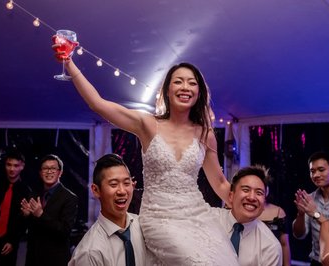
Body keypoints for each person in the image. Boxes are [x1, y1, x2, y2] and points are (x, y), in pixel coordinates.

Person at [51, 44, 238, 265]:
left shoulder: (205, 134)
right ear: (167, 90)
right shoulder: (147, 125)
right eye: (178, 81)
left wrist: (253, 205)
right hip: (160, 217)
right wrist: (69, 62)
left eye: (192, 82)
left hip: (198, 216)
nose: (185, 87)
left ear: (199, 92)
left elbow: (220, 182)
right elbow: (97, 104)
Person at [69, 153, 146, 265]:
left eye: (126, 183)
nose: (122, 191)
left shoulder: (143, 226)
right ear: (96, 190)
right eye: (114, 184)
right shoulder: (89, 252)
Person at [217, 165, 282, 266]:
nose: (252, 197)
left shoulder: (270, 247)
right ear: (231, 196)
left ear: (264, 202)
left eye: (259, 193)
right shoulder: (211, 220)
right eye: (246, 190)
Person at [20, 154, 78, 266]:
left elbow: (65, 230)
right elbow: (27, 228)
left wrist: (41, 215)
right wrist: (26, 216)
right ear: (40, 173)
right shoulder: (34, 194)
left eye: (53, 168)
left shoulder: (70, 198)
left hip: (55, 258)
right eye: (45, 168)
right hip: (33, 257)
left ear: (60, 172)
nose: (49, 171)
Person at [292, 151, 329, 266]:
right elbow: (299, 235)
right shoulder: (310, 198)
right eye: (312, 171)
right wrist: (301, 214)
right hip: (317, 261)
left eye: (321, 170)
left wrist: (315, 213)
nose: (316, 175)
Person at [259, 188, 292, 266]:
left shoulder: (279, 212)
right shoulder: (245, 212)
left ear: (267, 190)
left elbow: (284, 244)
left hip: (273, 261)